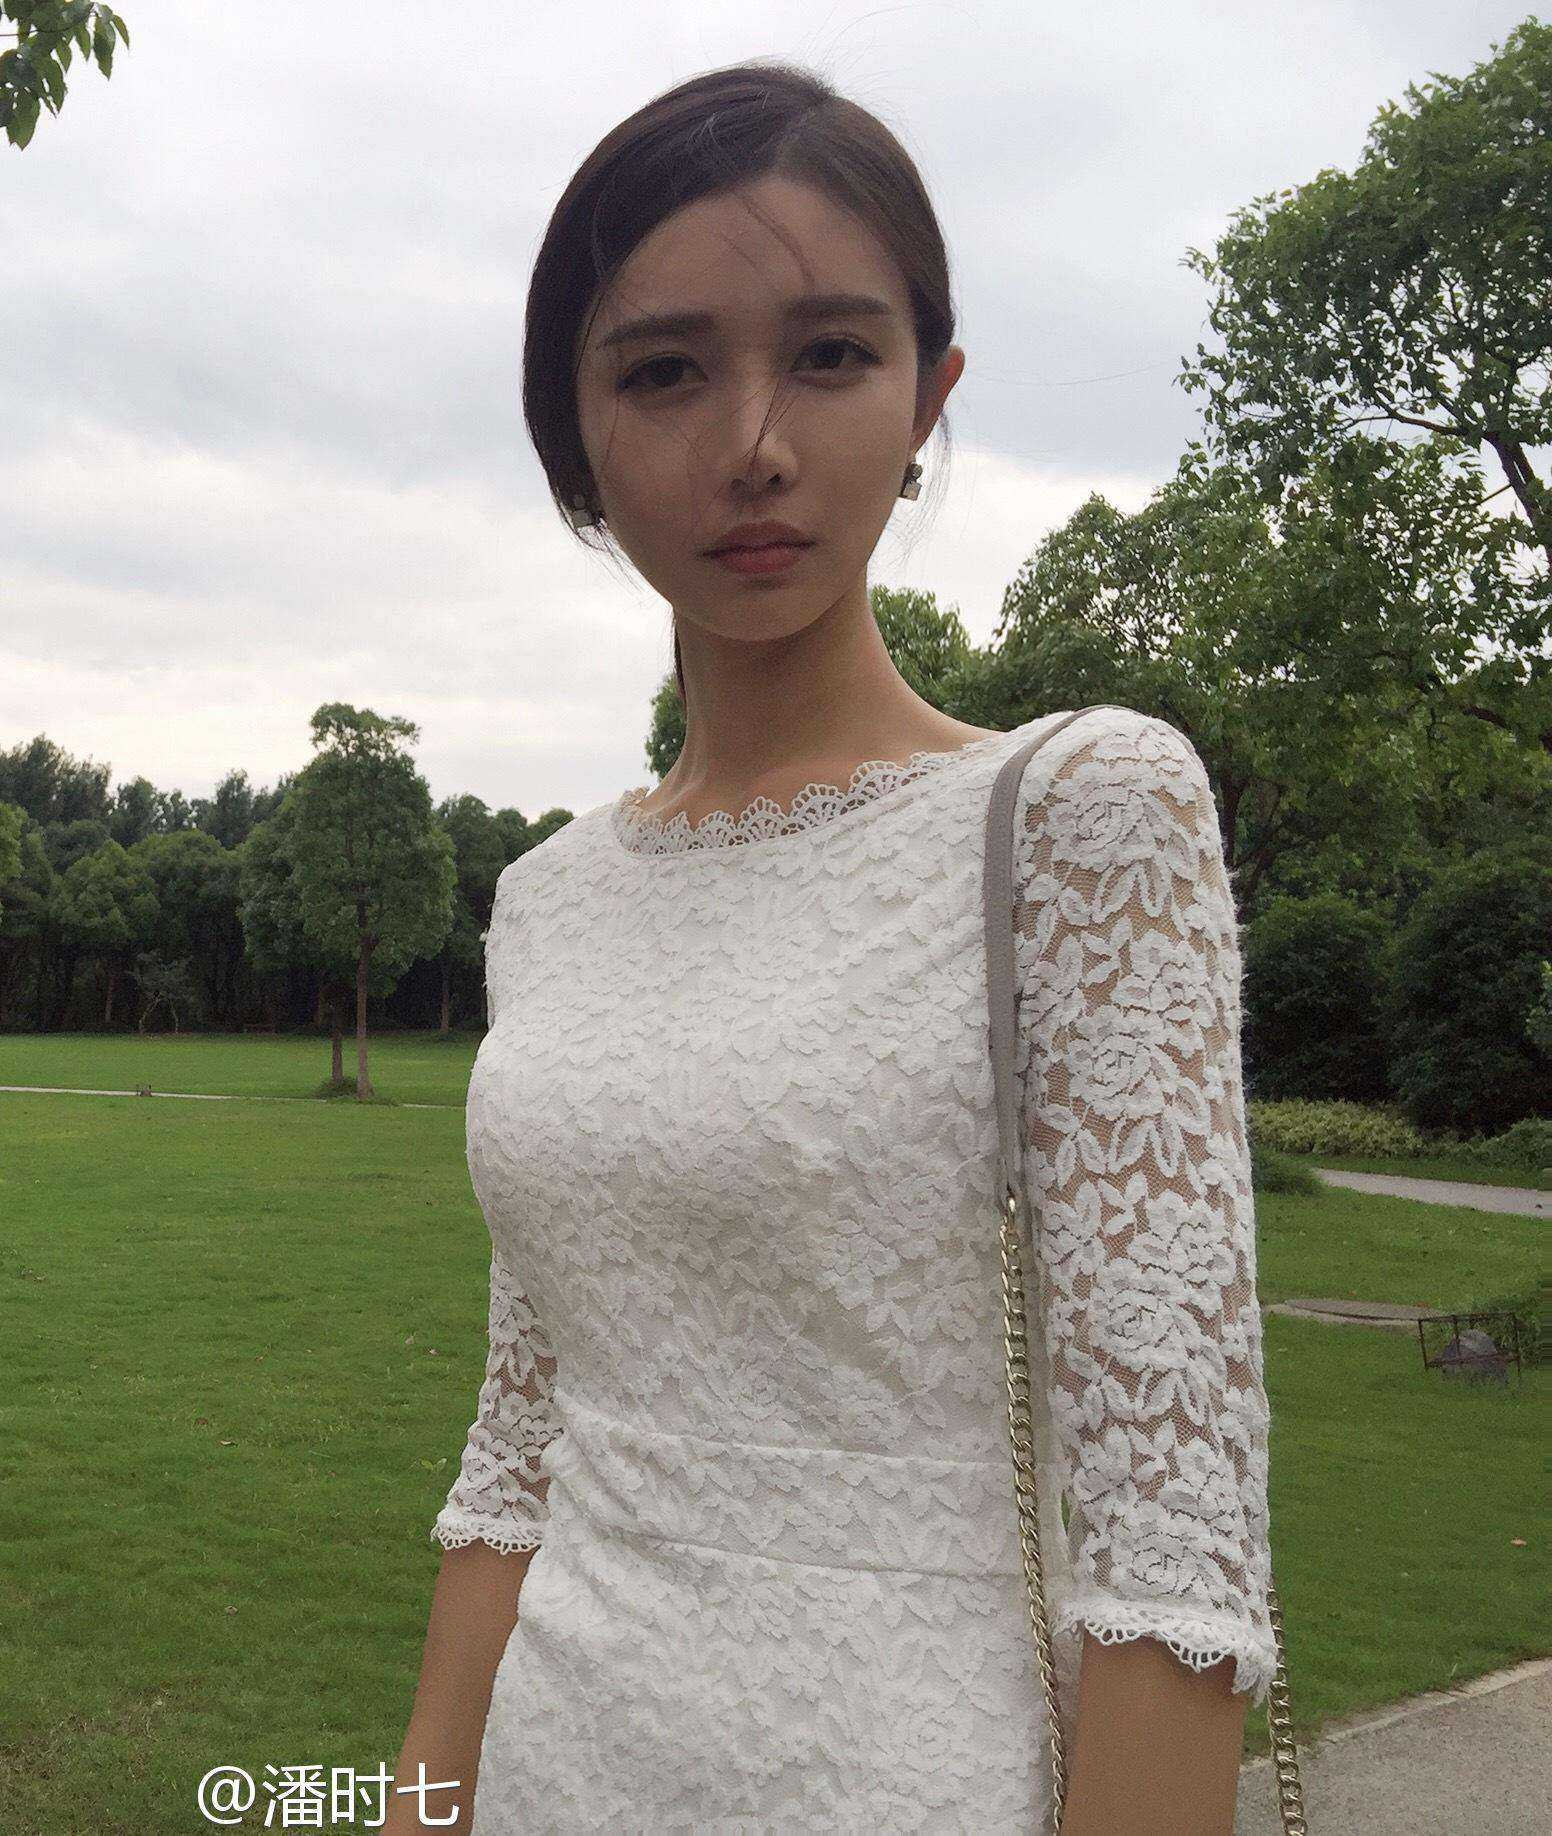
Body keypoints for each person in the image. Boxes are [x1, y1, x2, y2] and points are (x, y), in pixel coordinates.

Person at [387, 60, 1278, 1835]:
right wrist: (417, 1806)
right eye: (664, 371)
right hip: (561, 1761)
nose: (754, 443)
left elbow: (1170, 1551)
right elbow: (525, 1444)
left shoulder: (1081, 813)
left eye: (831, 355)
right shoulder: (548, 898)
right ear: (573, 436)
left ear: (930, 394)